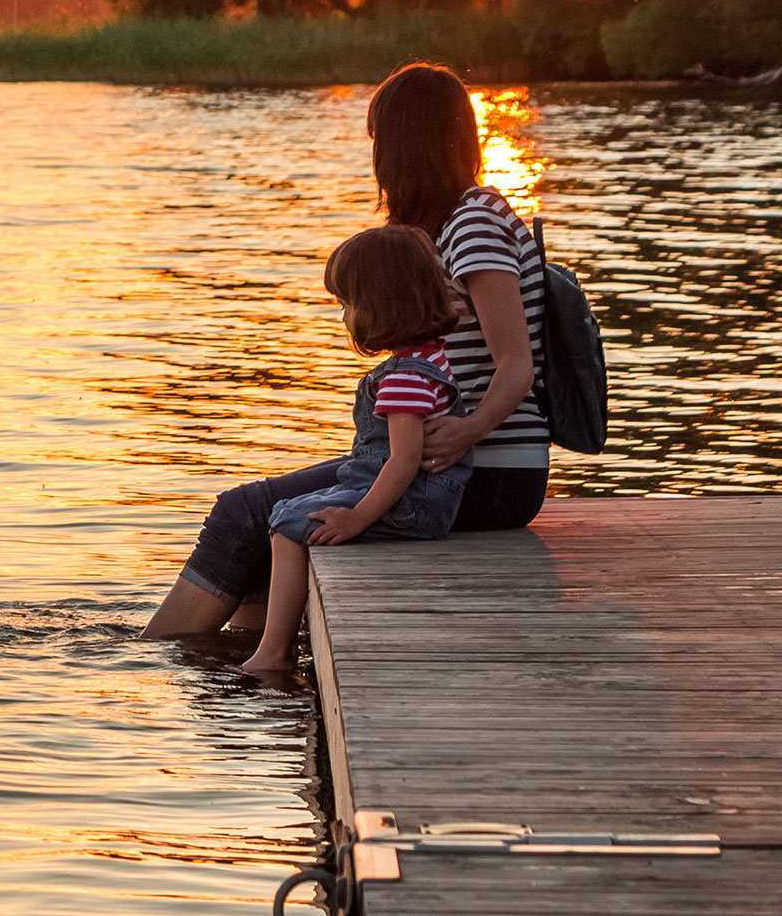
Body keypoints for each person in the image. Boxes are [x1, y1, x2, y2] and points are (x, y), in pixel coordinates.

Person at [143, 61, 549, 642]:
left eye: (380, 138)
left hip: (485, 475)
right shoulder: (458, 222)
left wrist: (467, 430)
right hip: (461, 467)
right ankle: (234, 652)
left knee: (244, 511)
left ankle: (160, 653)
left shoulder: (473, 225)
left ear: (405, 144)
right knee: (260, 514)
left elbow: (517, 364)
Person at [236, 226, 472, 677]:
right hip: (408, 495)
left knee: (288, 524)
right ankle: (268, 637)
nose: (345, 318)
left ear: (383, 306)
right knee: (289, 510)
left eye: (348, 305)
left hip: (410, 505)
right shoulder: (431, 357)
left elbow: (403, 460)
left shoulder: (405, 378)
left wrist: (358, 517)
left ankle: (274, 651)